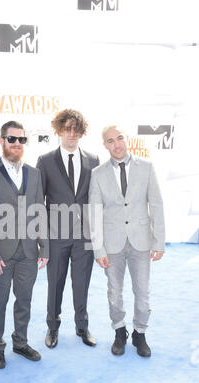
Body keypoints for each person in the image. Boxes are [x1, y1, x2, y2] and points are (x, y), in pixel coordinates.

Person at [0, 121, 49, 369]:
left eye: (21, 139)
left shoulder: (34, 174)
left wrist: (45, 247)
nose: (17, 143)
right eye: (12, 139)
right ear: (2, 141)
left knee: (24, 300)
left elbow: (40, 212)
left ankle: (20, 342)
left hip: (29, 251)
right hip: (1, 253)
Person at [89, 124, 165, 357]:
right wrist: (98, 249)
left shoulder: (147, 167)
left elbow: (157, 204)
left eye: (119, 138)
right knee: (115, 292)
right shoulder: (98, 173)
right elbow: (94, 213)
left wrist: (159, 241)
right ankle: (119, 331)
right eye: (110, 140)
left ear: (127, 139)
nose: (116, 144)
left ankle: (140, 333)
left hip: (141, 241)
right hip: (111, 245)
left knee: (142, 292)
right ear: (105, 145)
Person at [36, 109, 99, 349]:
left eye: (76, 129)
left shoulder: (93, 159)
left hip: (85, 236)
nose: (71, 133)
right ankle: (53, 327)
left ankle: (82, 327)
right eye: (67, 128)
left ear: (81, 132)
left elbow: (96, 200)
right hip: (55, 236)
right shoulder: (45, 160)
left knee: (81, 283)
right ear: (59, 130)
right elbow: (37, 203)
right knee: (55, 284)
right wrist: (42, 240)